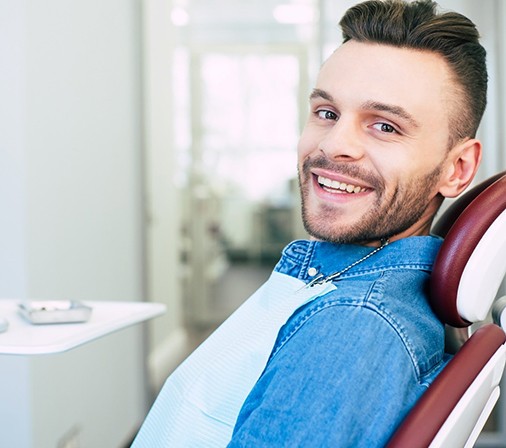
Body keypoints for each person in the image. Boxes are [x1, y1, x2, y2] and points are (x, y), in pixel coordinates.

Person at [133, 0, 487, 446]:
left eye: (385, 126)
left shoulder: (351, 328)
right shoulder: (340, 281)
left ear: (456, 168)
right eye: (327, 113)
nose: (335, 145)